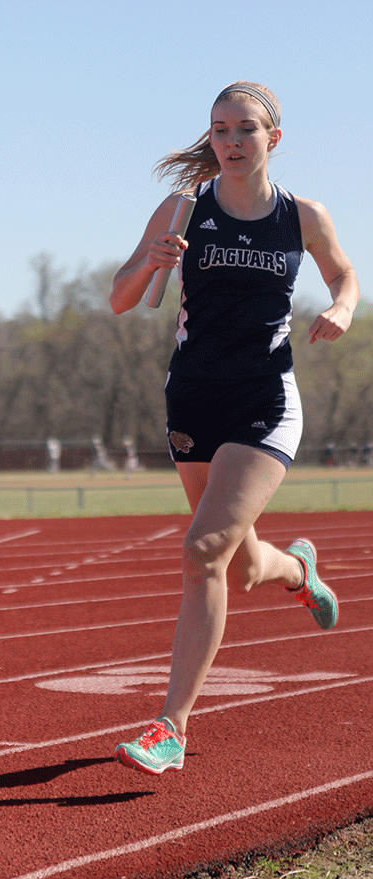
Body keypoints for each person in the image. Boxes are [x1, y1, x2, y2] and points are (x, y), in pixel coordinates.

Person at [110, 82, 360, 776]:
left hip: (264, 399)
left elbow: (345, 275)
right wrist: (151, 265)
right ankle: (296, 568)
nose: (229, 142)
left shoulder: (301, 215)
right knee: (240, 563)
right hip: (192, 398)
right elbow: (121, 297)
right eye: (219, 130)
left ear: (272, 139)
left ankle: (172, 726)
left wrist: (341, 308)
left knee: (201, 552)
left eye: (244, 129)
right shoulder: (186, 206)